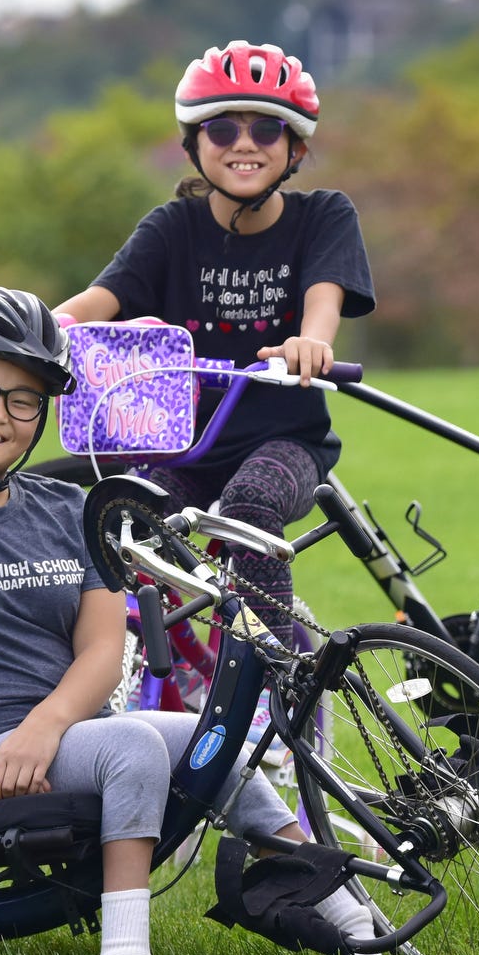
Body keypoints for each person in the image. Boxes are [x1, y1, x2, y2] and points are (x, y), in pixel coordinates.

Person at [0, 284, 382, 955]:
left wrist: (45, 726)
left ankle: (357, 925)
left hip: (55, 741)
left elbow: (100, 650)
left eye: (23, 400)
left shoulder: (68, 508)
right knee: (130, 744)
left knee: (219, 745)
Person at [57, 40, 373, 643]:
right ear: (194, 146)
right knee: (124, 519)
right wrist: (23, 331)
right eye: (222, 129)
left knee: (248, 508)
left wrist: (310, 343)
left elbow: (323, 297)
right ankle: (161, 668)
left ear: (297, 147)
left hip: (287, 443)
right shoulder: (172, 229)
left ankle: (271, 679)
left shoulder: (324, 217)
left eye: (267, 129)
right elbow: (97, 303)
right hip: (185, 447)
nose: (244, 144)